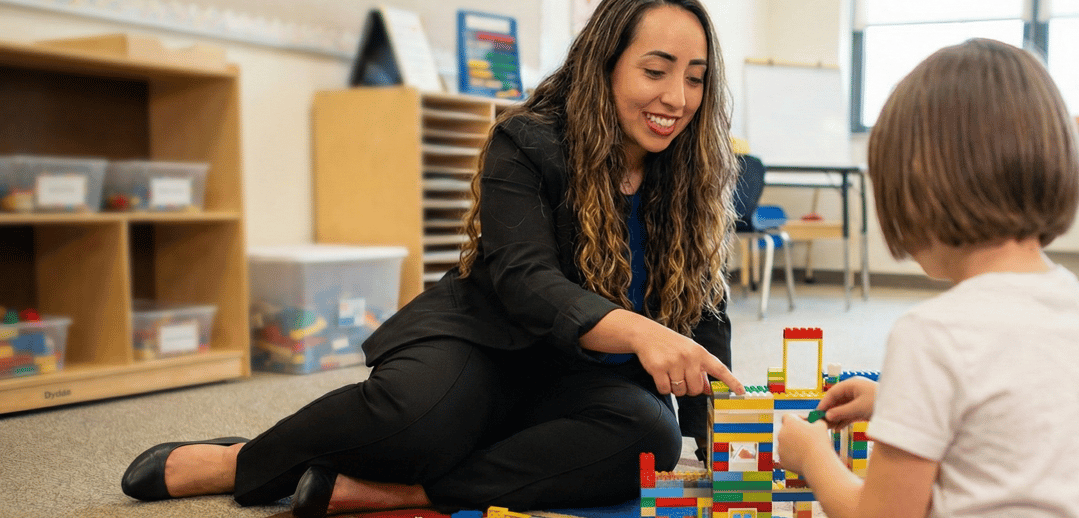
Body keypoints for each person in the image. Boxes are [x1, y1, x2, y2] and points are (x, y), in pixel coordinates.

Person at [120, 0, 745, 515]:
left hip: (584, 379)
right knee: (419, 419)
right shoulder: (527, 140)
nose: (677, 98)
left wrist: (720, 435)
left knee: (649, 440)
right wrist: (639, 332)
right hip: (485, 343)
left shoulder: (694, 170)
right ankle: (242, 459)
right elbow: (527, 280)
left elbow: (703, 310)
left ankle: (400, 493)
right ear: (605, 66)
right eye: (656, 70)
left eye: (695, 77)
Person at [775, 39, 1079, 518]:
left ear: (918, 188)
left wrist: (812, 456)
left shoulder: (930, 335)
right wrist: (897, 403)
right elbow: (1021, 417)